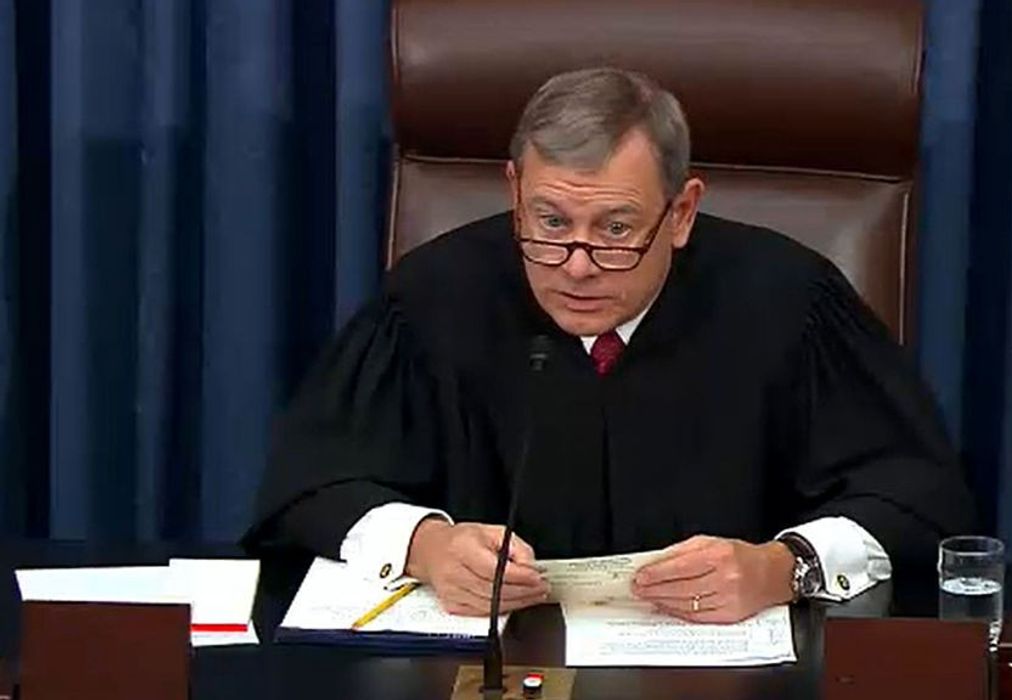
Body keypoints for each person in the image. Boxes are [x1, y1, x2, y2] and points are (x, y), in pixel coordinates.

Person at [243, 67, 973, 624]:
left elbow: (916, 497)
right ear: (513, 190)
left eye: (616, 230)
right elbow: (312, 484)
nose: (577, 266)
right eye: (549, 222)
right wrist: (425, 547)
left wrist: (783, 568)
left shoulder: (787, 300)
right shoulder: (434, 296)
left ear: (681, 213)